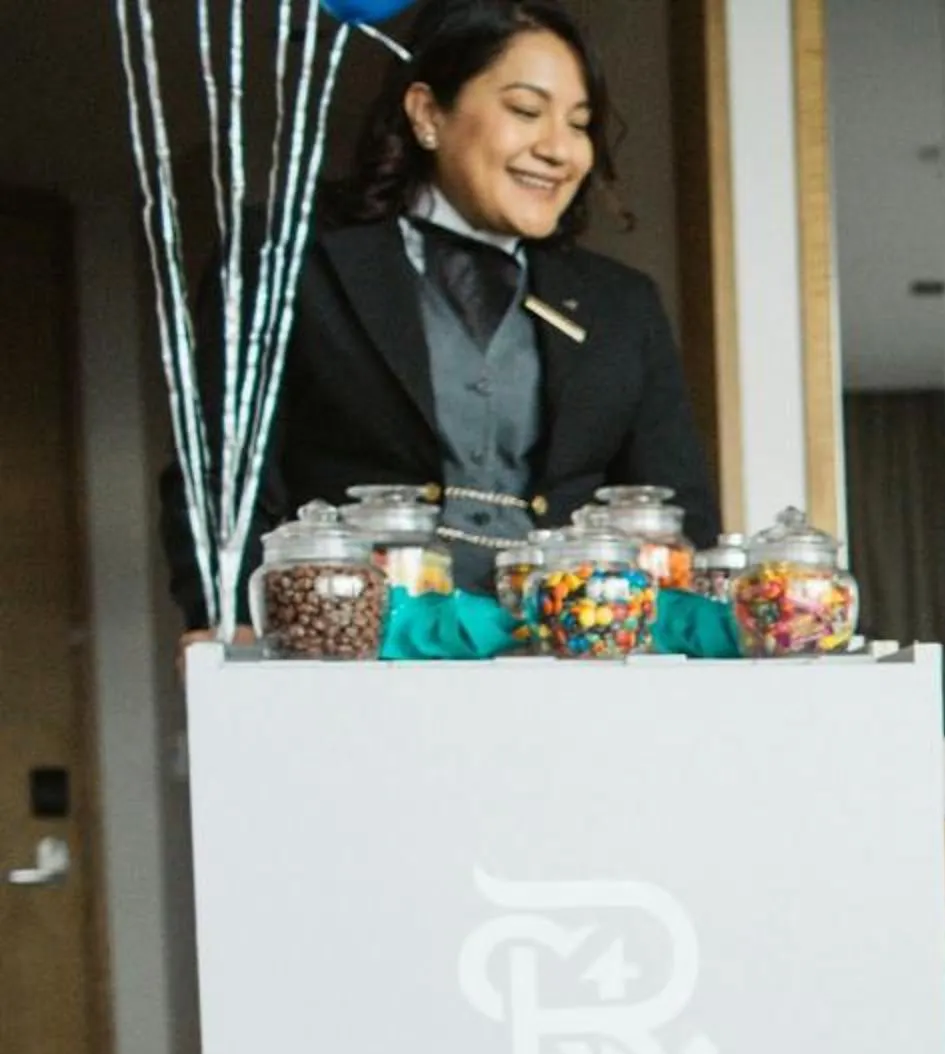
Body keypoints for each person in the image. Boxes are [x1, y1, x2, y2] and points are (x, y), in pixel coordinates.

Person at [166, 0, 717, 630]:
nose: (560, 150)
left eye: (581, 123)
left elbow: (678, 515)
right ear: (429, 113)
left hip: (566, 658)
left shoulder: (624, 305)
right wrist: (229, 622)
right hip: (350, 652)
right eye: (526, 111)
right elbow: (218, 475)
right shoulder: (288, 255)